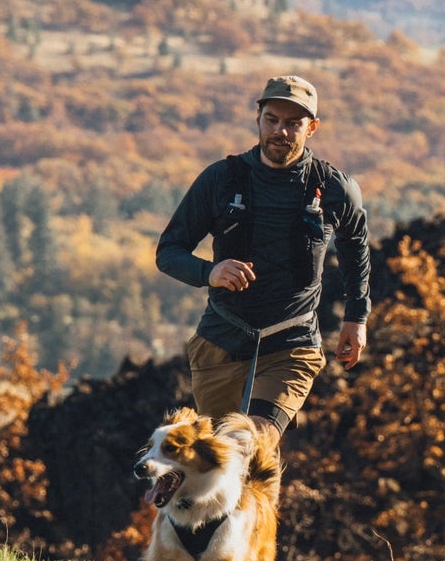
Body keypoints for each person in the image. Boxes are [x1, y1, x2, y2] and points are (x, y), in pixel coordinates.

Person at [156, 74, 370, 443]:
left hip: (293, 344)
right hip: (221, 341)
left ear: (312, 128)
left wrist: (357, 317)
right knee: (215, 460)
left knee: (251, 441)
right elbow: (168, 252)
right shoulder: (221, 180)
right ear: (258, 119)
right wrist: (211, 272)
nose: (281, 132)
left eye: (293, 124)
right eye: (272, 120)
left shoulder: (335, 188)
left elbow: (356, 246)